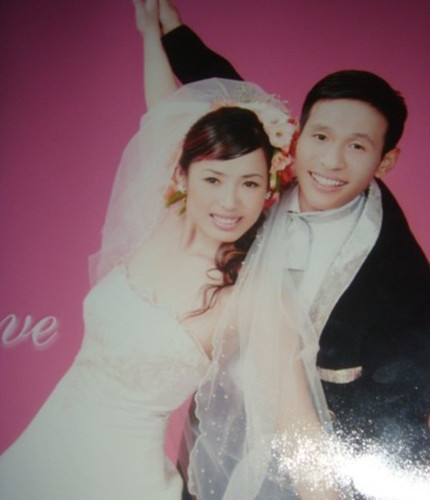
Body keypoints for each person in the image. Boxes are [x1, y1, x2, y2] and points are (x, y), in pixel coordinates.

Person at [0, 1, 338, 499]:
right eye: (214, 179)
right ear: (182, 175)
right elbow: (163, 111)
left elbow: (299, 428)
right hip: (39, 456)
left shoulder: (249, 296)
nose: (230, 202)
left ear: (268, 187)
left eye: (249, 182)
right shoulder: (164, 221)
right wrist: (150, 34)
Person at [156, 2, 430, 498]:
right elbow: (228, 92)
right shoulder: (270, 167)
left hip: (314, 454)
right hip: (218, 424)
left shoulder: (402, 273)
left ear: (386, 160)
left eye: (357, 147)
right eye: (320, 137)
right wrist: (172, 30)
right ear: (298, 135)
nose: (330, 160)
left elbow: (402, 399)